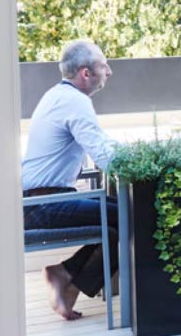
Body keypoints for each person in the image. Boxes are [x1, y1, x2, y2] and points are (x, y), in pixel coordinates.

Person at [21, 39, 118, 321]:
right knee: (133, 213)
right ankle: (70, 284)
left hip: (42, 199)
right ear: (86, 73)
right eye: (103, 65)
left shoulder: (57, 95)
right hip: (45, 204)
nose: (109, 71)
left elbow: (103, 144)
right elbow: (106, 158)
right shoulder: (75, 102)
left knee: (117, 222)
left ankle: (63, 272)